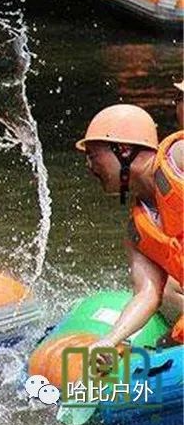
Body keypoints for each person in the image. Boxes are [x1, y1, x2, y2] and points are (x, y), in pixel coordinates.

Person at [76, 104, 183, 352]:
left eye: (93, 155)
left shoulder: (177, 159)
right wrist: (109, 341)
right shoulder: (138, 231)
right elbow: (147, 294)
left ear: (123, 149)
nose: (89, 166)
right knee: (166, 343)